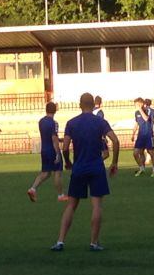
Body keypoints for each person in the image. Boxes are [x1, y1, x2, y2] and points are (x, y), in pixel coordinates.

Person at [51, 92, 119, 252]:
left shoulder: (72, 123)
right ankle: (94, 242)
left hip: (79, 167)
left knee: (71, 205)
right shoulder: (100, 122)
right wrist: (114, 162)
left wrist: (68, 162)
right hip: (96, 167)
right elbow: (115, 140)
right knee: (96, 205)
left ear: (80, 105)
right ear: (93, 105)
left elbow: (65, 147)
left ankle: (60, 241)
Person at [27, 102, 67, 202]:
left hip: (44, 150)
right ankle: (60, 195)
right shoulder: (54, 123)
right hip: (52, 150)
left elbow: (48, 136)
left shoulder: (41, 121)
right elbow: (53, 138)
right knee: (57, 172)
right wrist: (57, 153)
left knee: (46, 172)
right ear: (55, 111)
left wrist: (59, 139)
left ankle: (33, 188)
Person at [131, 97, 154, 177]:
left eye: (137, 104)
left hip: (148, 135)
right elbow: (137, 123)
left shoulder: (149, 110)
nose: (136, 106)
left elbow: (146, 119)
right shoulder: (136, 113)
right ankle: (141, 168)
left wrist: (140, 110)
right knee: (136, 153)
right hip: (140, 136)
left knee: (151, 152)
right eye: (135, 105)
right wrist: (133, 133)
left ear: (141, 104)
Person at [93, 95, 109, 160]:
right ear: (101, 103)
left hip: (91, 135)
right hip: (99, 136)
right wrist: (104, 137)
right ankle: (96, 164)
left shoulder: (91, 110)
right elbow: (100, 125)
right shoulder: (100, 112)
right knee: (106, 154)